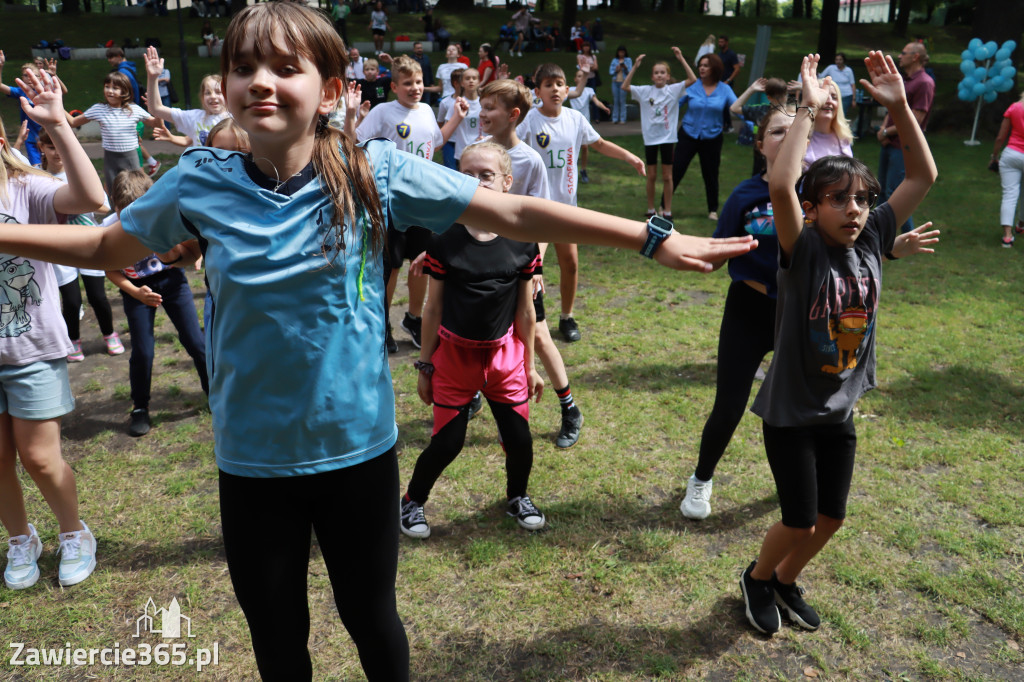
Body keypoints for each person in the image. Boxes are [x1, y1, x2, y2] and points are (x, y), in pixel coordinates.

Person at [0, 4, 757, 677]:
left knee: (372, 623)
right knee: (277, 636)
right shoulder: (198, 178)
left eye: (284, 67)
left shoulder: (374, 171)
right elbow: (108, 249)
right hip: (252, 462)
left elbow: (516, 215)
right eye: (242, 68)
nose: (259, 81)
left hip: (357, 453)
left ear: (329, 90)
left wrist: (650, 236)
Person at [739, 52, 937, 636]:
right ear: (812, 209)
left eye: (859, 199)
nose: (852, 210)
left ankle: (783, 580)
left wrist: (900, 106)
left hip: (839, 407)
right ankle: (755, 577)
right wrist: (806, 105)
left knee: (831, 518)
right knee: (798, 520)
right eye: (837, 200)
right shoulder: (803, 252)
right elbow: (781, 180)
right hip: (792, 413)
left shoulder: (874, 234)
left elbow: (922, 177)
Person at [679, 104, 937, 522]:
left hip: (802, 315)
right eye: (775, 133)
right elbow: (720, 245)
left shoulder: (826, 203)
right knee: (729, 404)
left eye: (791, 131)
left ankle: (800, 484)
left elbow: (845, 264)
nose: (784, 139)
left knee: (805, 402)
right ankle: (702, 477)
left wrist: (887, 248)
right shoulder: (749, 196)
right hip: (750, 308)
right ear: (760, 144)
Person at [400, 142, 544, 539]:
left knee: (519, 439)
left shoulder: (523, 239)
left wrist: (530, 366)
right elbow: (432, 309)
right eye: (466, 174)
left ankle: (517, 497)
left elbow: (526, 311)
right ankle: (412, 501)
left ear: (506, 181)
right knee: (447, 444)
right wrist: (425, 366)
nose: (476, 182)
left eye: (486, 175)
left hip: (505, 358)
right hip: (454, 357)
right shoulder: (445, 238)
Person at [0, 70, 105, 591]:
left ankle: (73, 533)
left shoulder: (27, 190)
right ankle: (21, 538)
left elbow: (92, 200)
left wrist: (60, 125)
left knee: (40, 458)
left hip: (29, 349)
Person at [476, 78, 584, 448]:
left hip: (519, 265)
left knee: (536, 334)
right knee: (475, 328)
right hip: (480, 264)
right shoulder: (476, 153)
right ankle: (472, 391)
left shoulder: (529, 160)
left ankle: (569, 408)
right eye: (482, 106)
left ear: (513, 115)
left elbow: (542, 221)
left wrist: (533, 266)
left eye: (490, 107)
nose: (482, 113)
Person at [517, 63, 646, 343]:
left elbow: (598, 144)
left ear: (567, 89)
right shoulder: (528, 121)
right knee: (531, 268)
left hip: (566, 209)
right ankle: (528, 320)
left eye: (559, 84)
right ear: (537, 91)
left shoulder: (575, 119)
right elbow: (511, 148)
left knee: (571, 264)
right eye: (548, 84)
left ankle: (566, 317)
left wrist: (629, 156)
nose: (555, 89)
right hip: (538, 210)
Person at [356, 55, 466, 351]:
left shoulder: (428, 111)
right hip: (392, 204)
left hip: (424, 201)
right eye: (408, 83)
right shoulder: (382, 112)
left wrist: (456, 117)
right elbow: (359, 143)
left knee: (423, 264)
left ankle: (413, 319)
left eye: (418, 82)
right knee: (391, 266)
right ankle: (382, 324)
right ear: (394, 86)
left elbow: (436, 142)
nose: (415, 88)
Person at [104, 171, 209, 437]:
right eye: (125, 213)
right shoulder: (110, 229)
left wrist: (191, 255)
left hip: (172, 282)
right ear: (115, 206)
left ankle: (215, 393)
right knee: (143, 351)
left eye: (141, 212)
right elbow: (111, 270)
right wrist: (135, 292)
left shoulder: (164, 217)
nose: (135, 220)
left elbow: (190, 241)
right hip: (137, 292)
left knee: (195, 341)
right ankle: (140, 407)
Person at [36, 129, 123, 362]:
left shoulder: (80, 173)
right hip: (58, 247)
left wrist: (73, 204)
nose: (57, 152)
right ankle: (73, 341)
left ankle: (109, 334)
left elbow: (104, 206)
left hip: (88, 243)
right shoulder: (37, 177)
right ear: (41, 147)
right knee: (71, 301)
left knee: (98, 297)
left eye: (61, 146)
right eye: (51, 147)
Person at [621, 47, 696, 222]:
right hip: (651, 139)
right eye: (656, 73)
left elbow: (692, 79)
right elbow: (624, 86)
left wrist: (680, 58)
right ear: (652, 76)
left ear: (668, 76)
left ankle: (667, 211)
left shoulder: (674, 90)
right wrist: (635, 66)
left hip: (668, 139)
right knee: (652, 176)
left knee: (668, 176)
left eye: (663, 73)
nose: (660, 75)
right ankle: (651, 209)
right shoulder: (645, 91)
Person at [66, 71, 159, 192]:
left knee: (135, 191)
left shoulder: (134, 109)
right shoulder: (99, 109)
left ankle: (135, 211)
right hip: (110, 159)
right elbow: (73, 122)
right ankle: (115, 211)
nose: (110, 91)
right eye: (107, 87)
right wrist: (56, 104)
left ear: (125, 91)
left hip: (130, 158)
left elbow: (156, 124)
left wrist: (157, 109)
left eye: (115, 88)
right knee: (113, 191)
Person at [876, 42, 934, 233]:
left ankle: (909, 236)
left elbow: (916, 119)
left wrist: (886, 132)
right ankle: (879, 236)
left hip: (904, 147)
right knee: (883, 192)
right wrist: (883, 129)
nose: (899, 56)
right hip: (889, 143)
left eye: (903, 53)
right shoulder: (905, 80)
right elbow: (892, 108)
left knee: (898, 194)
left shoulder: (924, 82)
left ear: (915, 56)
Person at [672, 53, 736, 221]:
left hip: (712, 138)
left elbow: (737, 108)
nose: (702, 68)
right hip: (688, 134)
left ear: (715, 68)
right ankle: (664, 206)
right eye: (700, 65)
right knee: (676, 170)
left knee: (711, 174)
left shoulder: (724, 89)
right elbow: (674, 104)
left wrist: (754, 121)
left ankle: (712, 210)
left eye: (706, 65)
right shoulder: (691, 87)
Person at [146, 49, 230, 147]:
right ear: (202, 97)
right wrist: (152, 78)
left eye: (218, 92)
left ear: (227, 95)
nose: (213, 96)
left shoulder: (235, 118)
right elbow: (155, 109)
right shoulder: (194, 117)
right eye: (208, 93)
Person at [106, 46, 160, 177]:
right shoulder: (128, 69)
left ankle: (141, 180)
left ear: (120, 55)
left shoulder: (123, 73)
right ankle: (151, 164)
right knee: (133, 146)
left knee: (134, 148)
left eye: (111, 57)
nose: (109, 60)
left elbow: (127, 95)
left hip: (129, 115)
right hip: (131, 113)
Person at [730, 77, 789, 176]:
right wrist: (751, 89)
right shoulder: (761, 111)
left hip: (785, 158)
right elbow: (734, 108)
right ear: (769, 98)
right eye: (778, 97)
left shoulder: (791, 113)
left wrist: (803, 89)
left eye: (784, 95)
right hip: (762, 159)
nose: (783, 99)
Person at [567, 69, 610, 184]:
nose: (581, 78)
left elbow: (596, 101)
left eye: (583, 76)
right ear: (575, 79)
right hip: (571, 125)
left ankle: (583, 170)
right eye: (579, 76)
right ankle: (571, 170)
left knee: (585, 147)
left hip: (584, 124)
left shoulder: (589, 90)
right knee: (571, 149)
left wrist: (603, 107)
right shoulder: (570, 90)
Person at [0, 54, 44, 167]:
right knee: (36, 166)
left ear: (40, 77)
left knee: (51, 165)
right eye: (25, 75)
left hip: (47, 135)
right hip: (30, 136)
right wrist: (1, 66)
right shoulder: (20, 91)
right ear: (22, 77)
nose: (29, 78)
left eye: (33, 75)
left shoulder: (45, 92)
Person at [993, 91, 1024, 247]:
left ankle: (1007, 236)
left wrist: (994, 156)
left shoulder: (1015, 107)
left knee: (1010, 194)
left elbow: (1000, 136)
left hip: (1012, 154)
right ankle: (1021, 225)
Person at [803, 79, 854, 168]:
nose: (829, 101)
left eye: (834, 97)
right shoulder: (800, 137)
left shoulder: (843, 136)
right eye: (823, 96)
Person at [608, 46, 632, 125]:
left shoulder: (628, 60)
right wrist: (616, 70)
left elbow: (630, 72)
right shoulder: (614, 60)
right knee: (616, 100)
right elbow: (610, 72)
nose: (621, 53)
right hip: (615, 82)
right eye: (620, 52)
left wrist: (625, 67)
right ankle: (615, 118)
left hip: (623, 83)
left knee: (622, 100)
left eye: (623, 52)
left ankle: (623, 119)